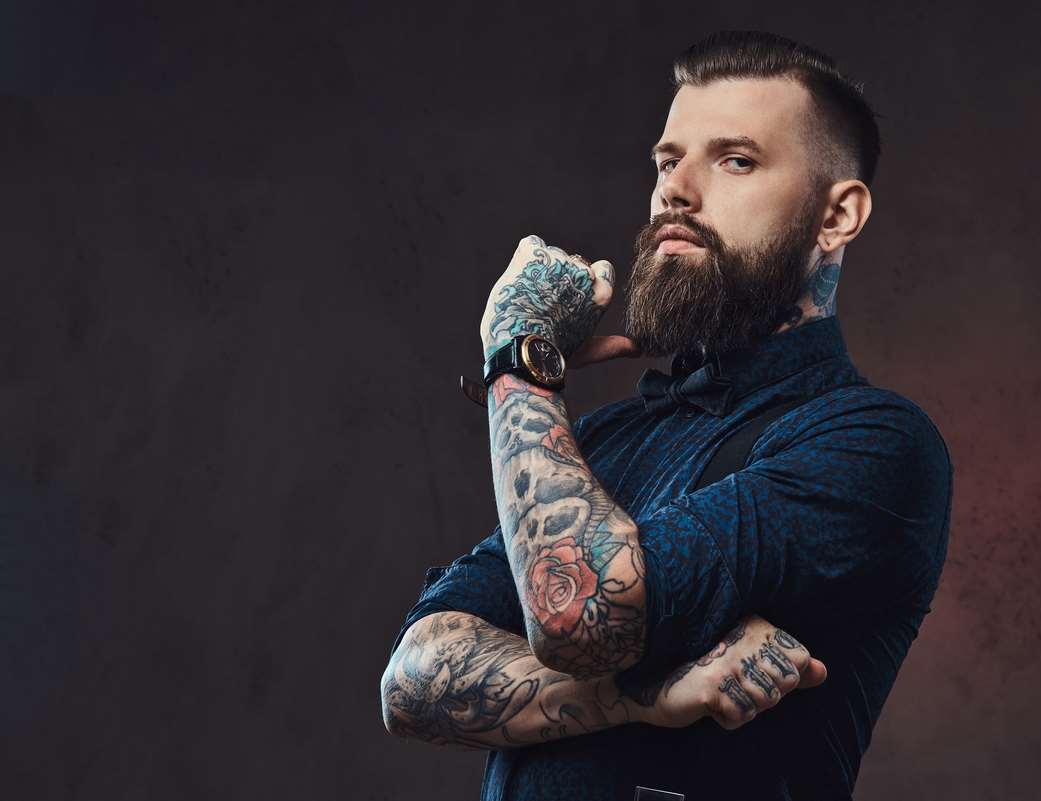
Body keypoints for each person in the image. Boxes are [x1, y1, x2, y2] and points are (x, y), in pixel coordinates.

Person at [379, 29, 953, 801]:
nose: (675, 191)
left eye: (735, 159)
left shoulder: (872, 444)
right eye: (666, 161)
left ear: (836, 215)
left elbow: (579, 615)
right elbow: (412, 679)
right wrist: (646, 695)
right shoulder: (603, 441)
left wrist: (520, 353)